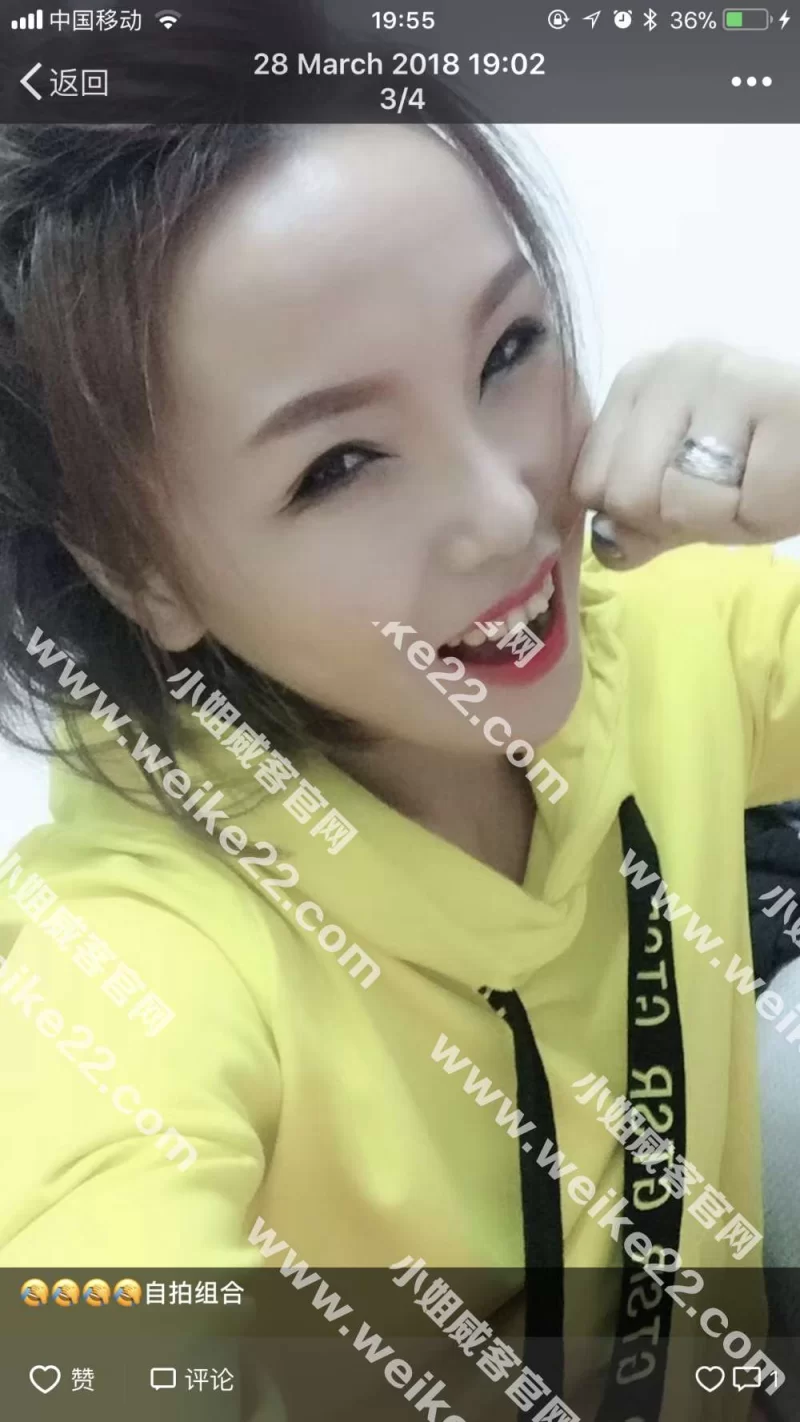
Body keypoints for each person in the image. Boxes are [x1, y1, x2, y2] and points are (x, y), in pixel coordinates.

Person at [0, 121, 797, 1421]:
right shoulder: (135, 950)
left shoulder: (668, 634)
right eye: (340, 465)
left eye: (509, 350)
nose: (504, 511)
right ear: (141, 572)